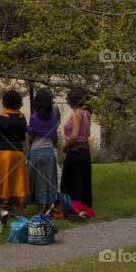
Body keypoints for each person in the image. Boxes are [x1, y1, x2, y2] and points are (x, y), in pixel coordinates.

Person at [0, 87, 29, 224]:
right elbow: (22, 138)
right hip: (18, 153)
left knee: (4, 181)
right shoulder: (22, 118)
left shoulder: (2, 118)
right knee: (18, 181)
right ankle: (20, 210)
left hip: (5, 153)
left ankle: (4, 209)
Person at [60, 86, 94, 218]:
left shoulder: (76, 115)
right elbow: (86, 136)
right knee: (82, 180)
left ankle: (74, 208)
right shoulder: (86, 115)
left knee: (72, 181)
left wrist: (65, 146)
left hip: (75, 150)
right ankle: (84, 206)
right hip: (84, 150)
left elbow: (74, 135)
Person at [27, 87, 59, 215]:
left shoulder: (34, 118)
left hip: (36, 151)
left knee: (37, 181)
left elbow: (30, 137)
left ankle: (39, 209)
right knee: (49, 180)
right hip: (49, 151)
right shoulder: (53, 118)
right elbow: (53, 137)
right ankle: (48, 206)